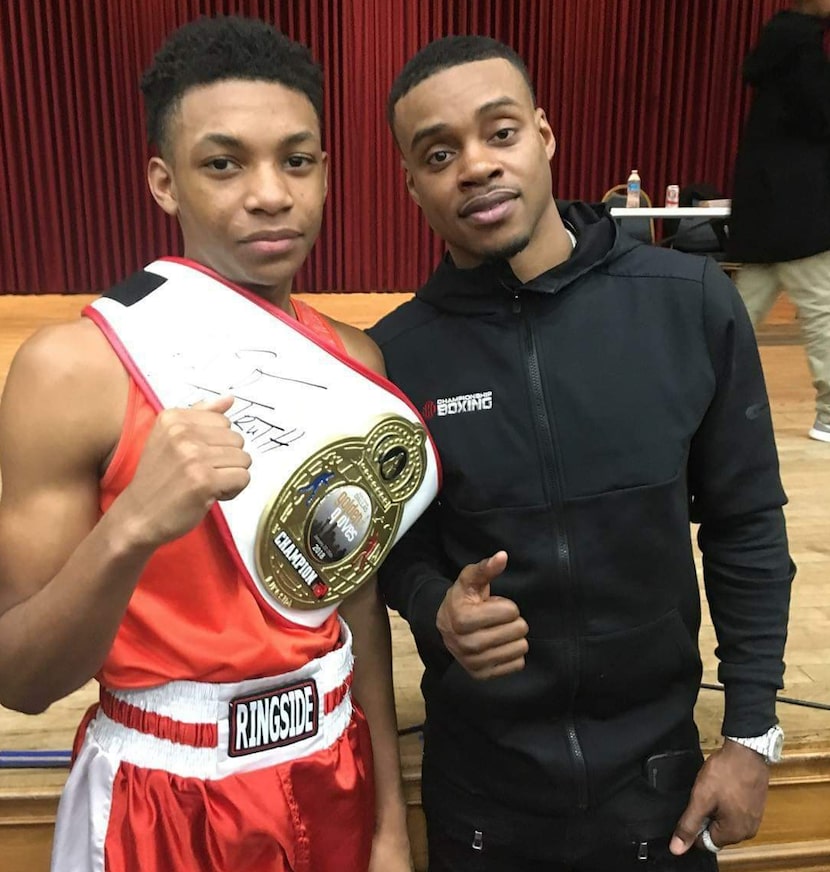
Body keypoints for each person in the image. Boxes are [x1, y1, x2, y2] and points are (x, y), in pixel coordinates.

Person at [0, 16, 431, 872]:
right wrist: (129, 529)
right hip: (160, 796)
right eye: (224, 163)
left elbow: (354, 606)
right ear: (164, 182)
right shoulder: (71, 371)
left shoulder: (357, 361)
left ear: (324, 173)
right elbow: (22, 681)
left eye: (297, 160)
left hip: (331, 769)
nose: (270, 193)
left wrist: (387, 826)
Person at [369, 35, 794, 872]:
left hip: (659, 795)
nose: (477, 167)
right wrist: (433, 605)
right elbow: (392, 551)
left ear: (545, 135)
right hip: (483, 808)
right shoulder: (394, 359)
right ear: (412, 185)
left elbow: (746, 528)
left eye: (500, 133)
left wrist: (751, 734)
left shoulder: (689, 305)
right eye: (439, 152)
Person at [727, 0, 830, 443]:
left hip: (763, 213)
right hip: (800, 213)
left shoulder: (777, 48)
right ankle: (829, 413)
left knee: (736, 319)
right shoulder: (803, 52)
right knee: (822, 310)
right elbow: (823, 121)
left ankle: (689, 401)